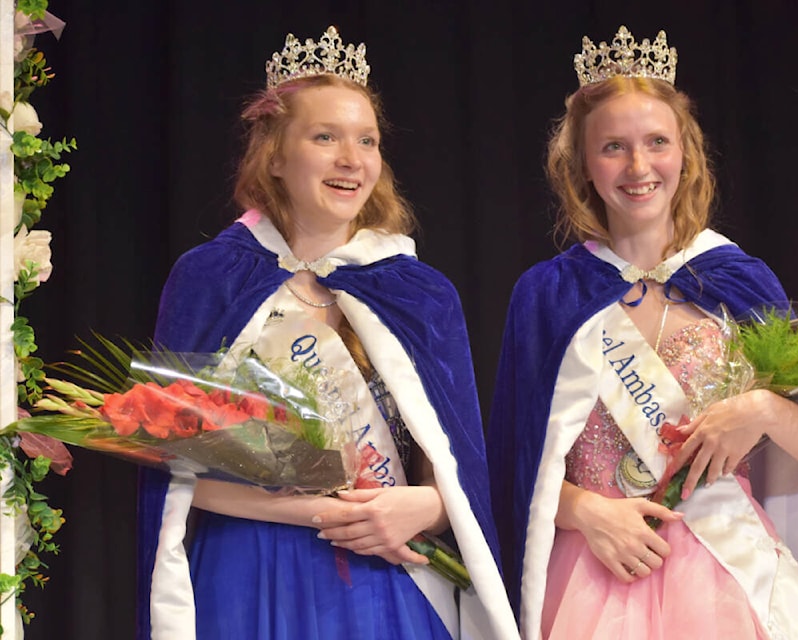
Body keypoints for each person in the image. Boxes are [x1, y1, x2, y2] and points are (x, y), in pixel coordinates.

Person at [487, 27, 798, 640]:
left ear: (686, 155)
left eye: (656, 143)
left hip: (729, 572)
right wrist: (584, 510)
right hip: (596, 571)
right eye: (613, 146)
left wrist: (761, 410)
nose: (638, 166)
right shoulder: (548, 295)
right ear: (583, 166)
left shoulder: (738, 281)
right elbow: (513, 463)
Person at [137, 27, 519, 640]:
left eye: (366, 140)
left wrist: (427, 506)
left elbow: (457, 470)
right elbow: (174, 469)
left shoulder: (419, 294)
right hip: (248, 571)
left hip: (387, 578)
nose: (352, 159)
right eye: (326, 137)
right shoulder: (211, 279)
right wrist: (319, 511)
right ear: (276, 157)